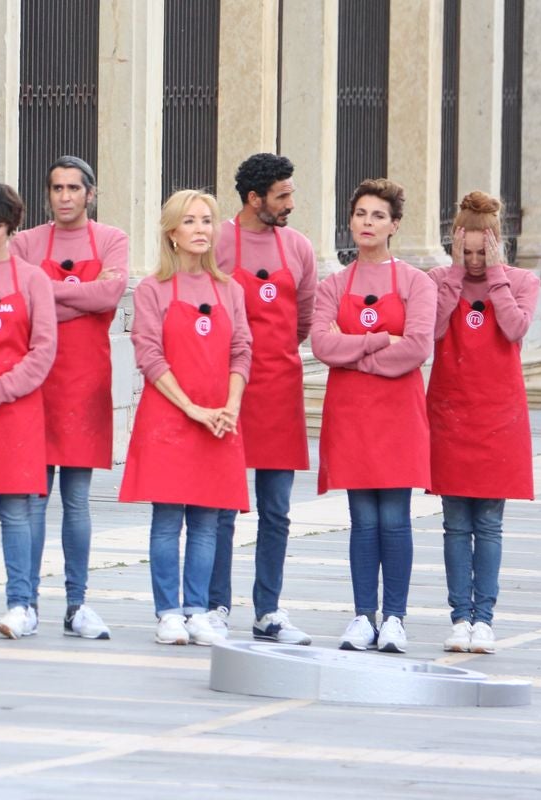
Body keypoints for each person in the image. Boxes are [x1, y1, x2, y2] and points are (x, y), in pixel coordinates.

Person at [119, 190, 251, 647]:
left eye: (207, 220)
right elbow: (149, 356)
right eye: (190, 221)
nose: (200, 229)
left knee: (208, 520)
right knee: (168, 518)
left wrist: (230, 406)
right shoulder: (154, 289)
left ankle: (198, 610)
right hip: (170, 418)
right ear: (172, 232)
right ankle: (168, 612)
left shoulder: (230, 289)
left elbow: (241, 351)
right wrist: (193, 409)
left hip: (220, 418)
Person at [311, 178, 436, 654]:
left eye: (378, 216)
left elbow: (419, 348)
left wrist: (354, 355)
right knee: (362, 520)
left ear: (395, 225)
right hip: (351, 415)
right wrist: (380, 341)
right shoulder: (333, 284)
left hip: (399, 414)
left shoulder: (415, 283)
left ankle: (396, 618)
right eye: (361, 213)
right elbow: (322, 346)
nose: (367, 222)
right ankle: (363, 616)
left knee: (396, 519)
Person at [9, 155, 128, 640]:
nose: (64, 197)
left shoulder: (112, 240)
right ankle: (26, 601)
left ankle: (77, 603)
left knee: (77, 502)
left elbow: (111, 296)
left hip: (85, 383)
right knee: (34, 500)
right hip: (37, 383)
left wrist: (49, 294)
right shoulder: (25, 241)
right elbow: (20, 300)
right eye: (56, 188)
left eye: (73, 188)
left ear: (90, 194)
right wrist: (80, 296)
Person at [206, 154, 317, 645]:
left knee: (277, 510)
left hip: (281, 388)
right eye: (282, 196)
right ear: (254, 199)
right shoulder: (218, 241)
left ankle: (268, 609)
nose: (290, 204)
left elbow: (305, 320)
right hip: (230, 388)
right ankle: (215, 605)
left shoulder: (299, 248)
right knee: (224, 504)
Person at [429, 192, 538, 654]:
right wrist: (454, 275)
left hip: (499, 414)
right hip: (451, 411)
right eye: (466, 251)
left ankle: (485, 619)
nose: (473, 261)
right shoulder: (439, 279)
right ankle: (459, 617)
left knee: (489, 524)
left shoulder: (521, 280)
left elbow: (514, 330)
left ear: (499, 244)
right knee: (455, 524)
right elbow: (430, 330)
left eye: (482, 252)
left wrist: (495, 276)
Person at [0, 183, 57, 640]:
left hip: (16, 410)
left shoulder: (33, 279)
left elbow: (42, 351)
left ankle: (23, 603)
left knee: (17, 513)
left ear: (11, 226)